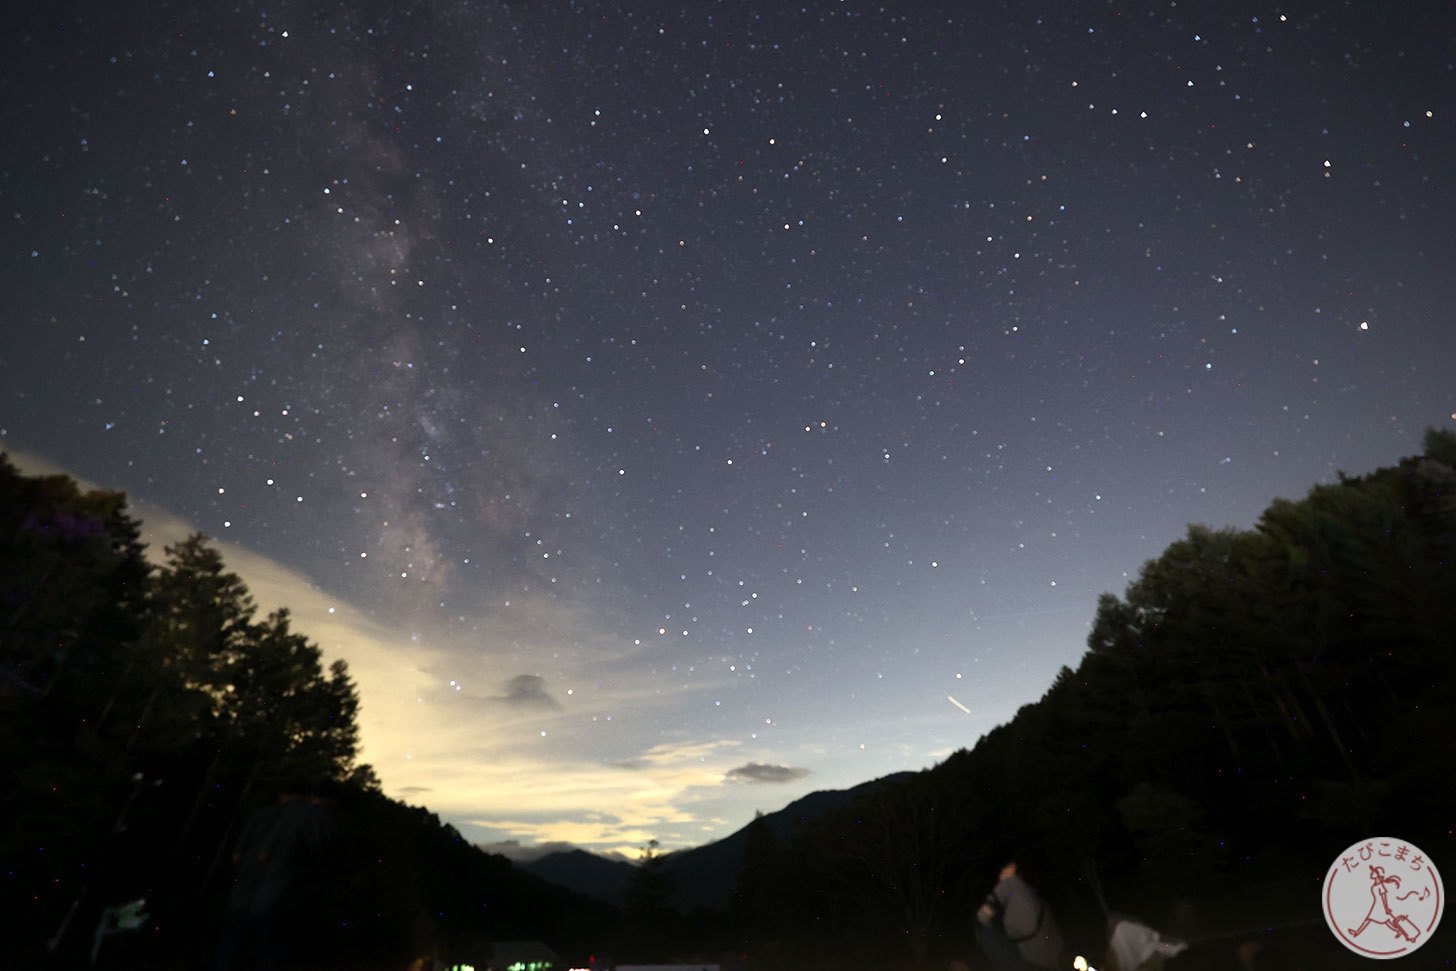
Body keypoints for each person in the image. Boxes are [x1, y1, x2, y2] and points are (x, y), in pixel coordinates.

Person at [975, 860, 1063, 970]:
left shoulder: (1017, 890)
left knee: (986, 932)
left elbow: (984, 916)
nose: (1002, 877)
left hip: (1034, 957)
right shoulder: (1022, 892)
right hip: (1047, 953)